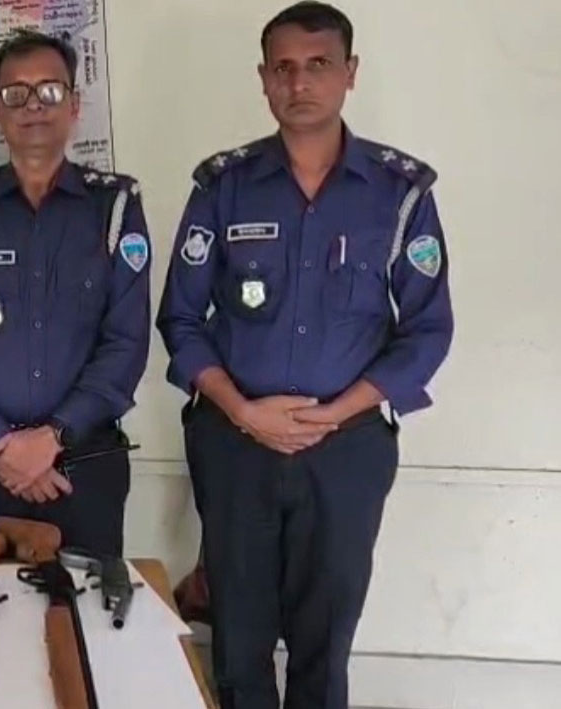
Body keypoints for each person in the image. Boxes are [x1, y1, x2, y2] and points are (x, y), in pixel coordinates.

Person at [155, 3, 454, 707]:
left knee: (325, 638)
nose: (300, 83)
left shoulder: (398, 192)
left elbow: (427, 329)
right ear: (263, 79)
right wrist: (242, 410)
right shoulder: (223, 186)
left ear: (350, 73)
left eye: (318, 65)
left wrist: (337, 412)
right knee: (237, 636)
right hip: (236, 445)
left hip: (345, 451)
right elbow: (180, 317)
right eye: (283, 68)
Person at [0, 30, 151, 558]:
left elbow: (126, 342)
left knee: (84, 605)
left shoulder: (114, 208)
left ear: (74, 105)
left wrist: (52, 438)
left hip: (82, 465)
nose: (33, 106)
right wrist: (3, 443)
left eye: (49, 91)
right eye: (15, 94)